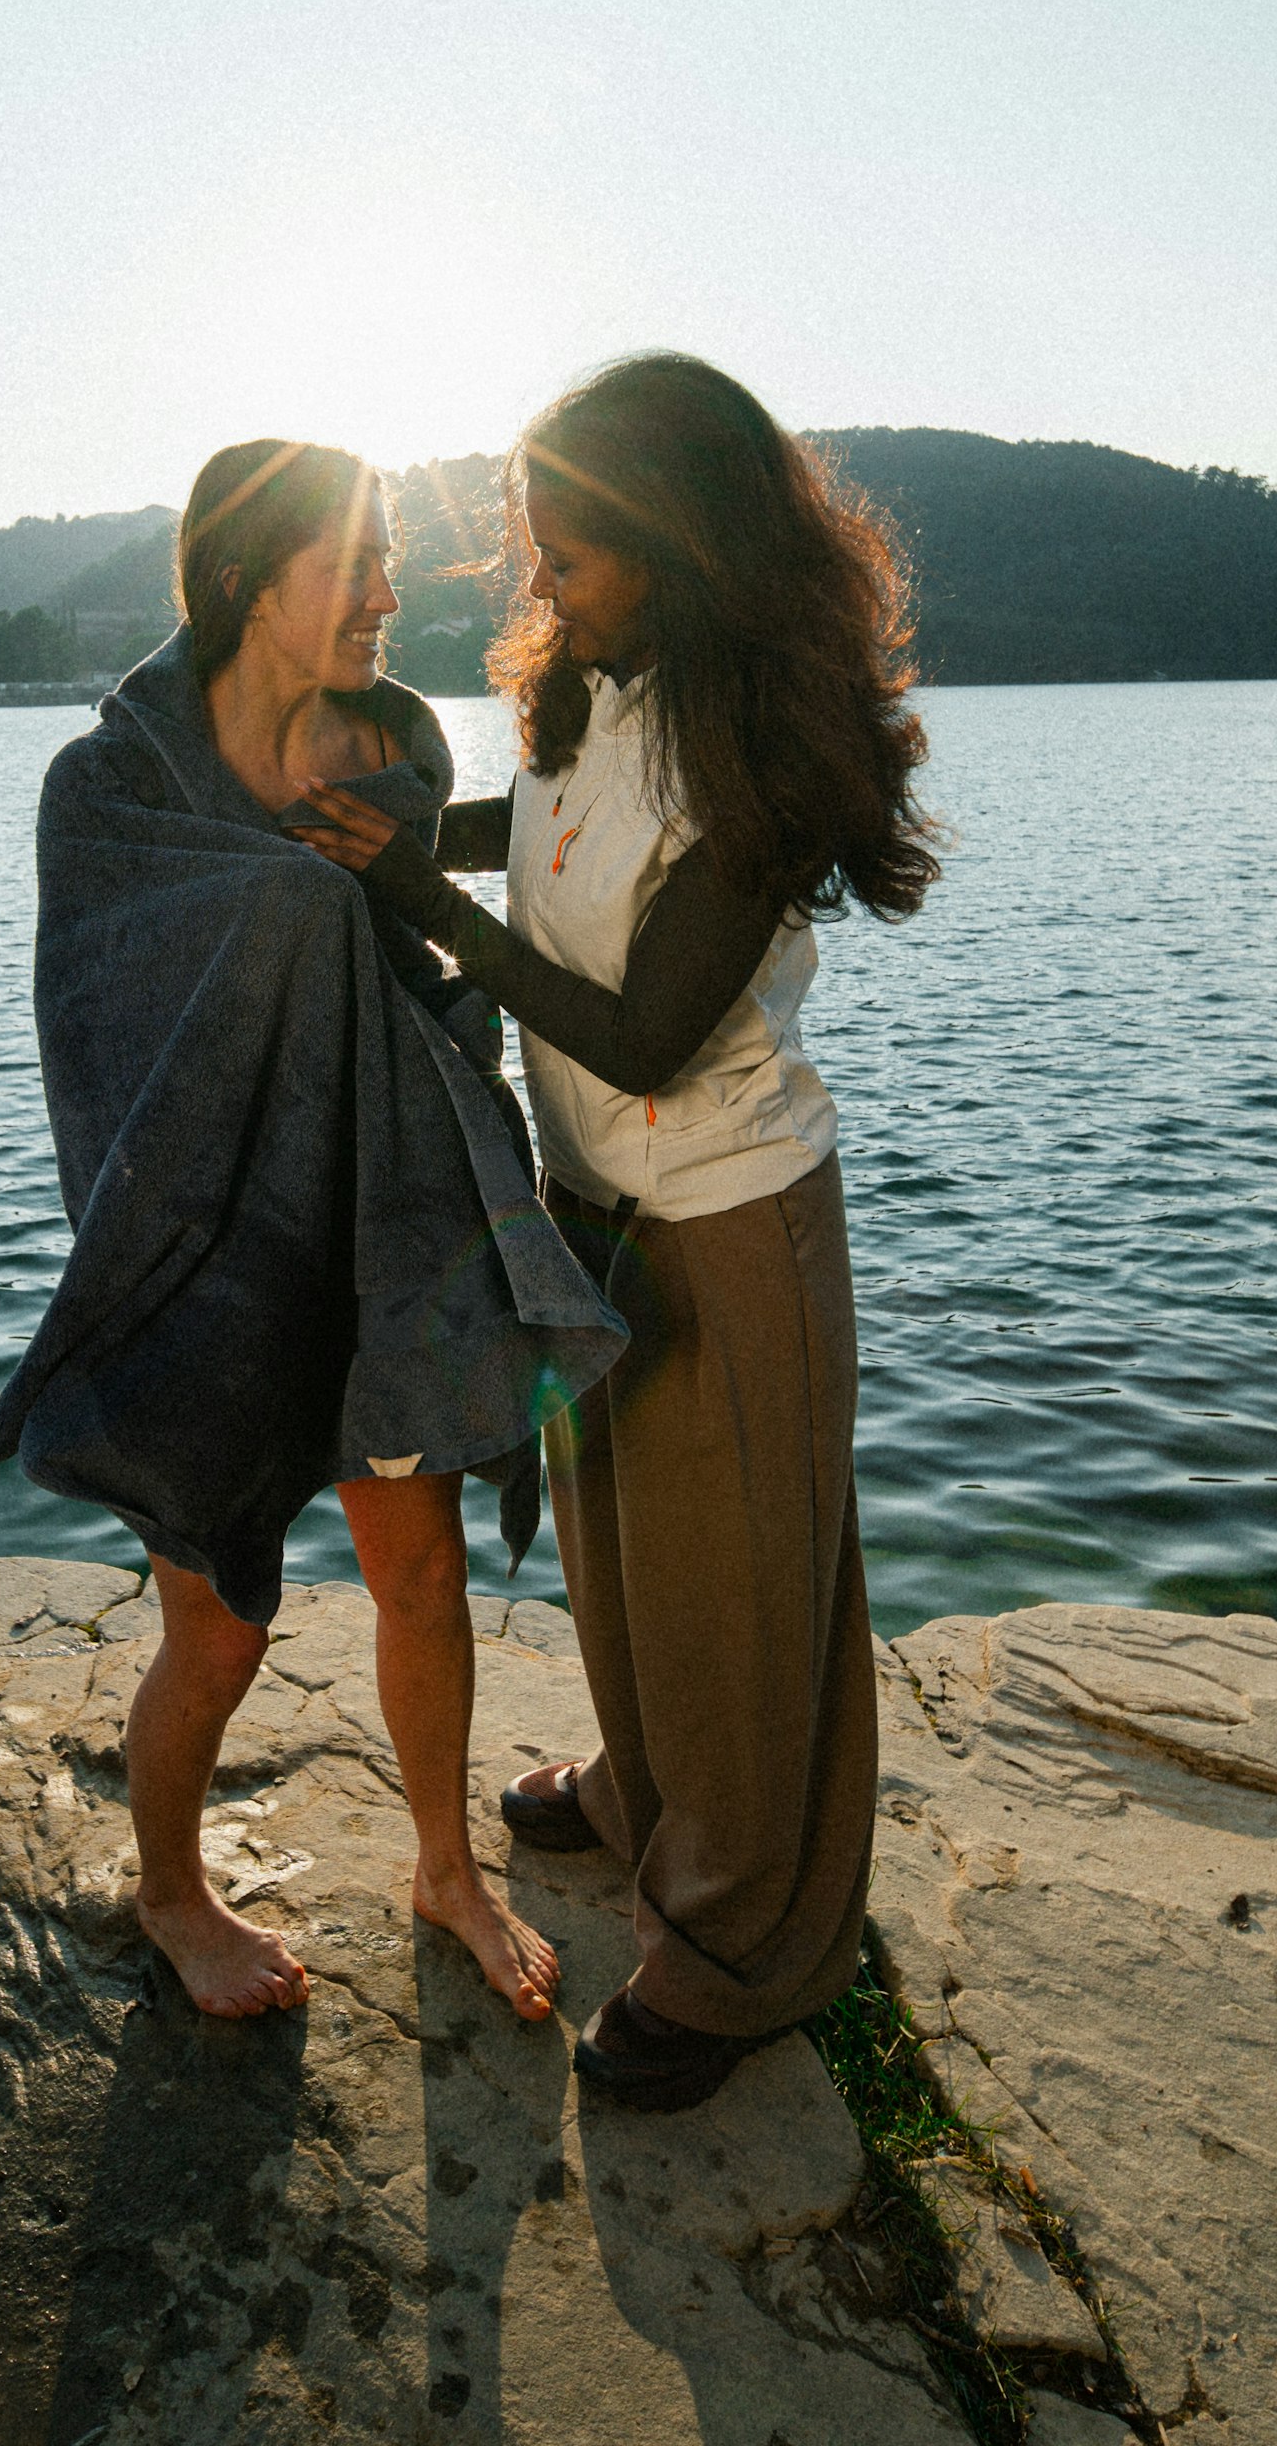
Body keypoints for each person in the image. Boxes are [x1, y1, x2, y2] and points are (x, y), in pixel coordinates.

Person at [297, 353, 938, 2110]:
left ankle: (742, 1952)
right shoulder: (595, 684)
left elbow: (648, 1034)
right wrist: (391, 831)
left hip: (728, 1217)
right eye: (534, 541)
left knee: (736, 1598)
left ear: (679, 539)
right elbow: (543, 841)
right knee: (624, 1557)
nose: (539, 576)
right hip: (590, 1206)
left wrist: (415, 899)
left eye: (568, 549)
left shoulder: (768, 749)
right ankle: (645, 1794)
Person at [0, 439, 626, 2024]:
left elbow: (405, 978)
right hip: (210, 1242)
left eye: (387, 561)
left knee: (422, 1574)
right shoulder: (112, 786)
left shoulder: (394, 745)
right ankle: (172, 1894)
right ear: (248, 583)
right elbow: (98, 1038)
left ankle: (445, 1869)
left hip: (390, 1227)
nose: (390, 595)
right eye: (356, 566)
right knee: (217, 1627)